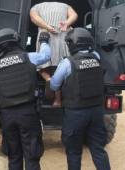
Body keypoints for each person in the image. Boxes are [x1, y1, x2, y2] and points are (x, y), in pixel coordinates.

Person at [0, 28, 51, 170]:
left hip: (7, 115)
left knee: (14, 156)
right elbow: (46, 56)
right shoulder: (28, 57)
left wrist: (6, 96)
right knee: (32, 155)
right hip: (28, 113)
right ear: (16, 40)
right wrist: (44, 41)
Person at [46, 27, 111, 170]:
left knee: (74, 152)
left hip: (76, 113)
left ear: (72, 44)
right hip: (96, 111)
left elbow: (54, 85)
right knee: (98, 150)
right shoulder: (96, 57)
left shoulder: (67, 63)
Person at [30, 0, 78, 106]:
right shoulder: (65, 6)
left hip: (45, 38)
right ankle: (58, 100)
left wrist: (46, 26)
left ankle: (48, 79)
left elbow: (34, 18)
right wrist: (66, 23)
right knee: (60, 67)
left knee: (41, 66)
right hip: (62, 38)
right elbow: (74, 15)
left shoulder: (36, 7)